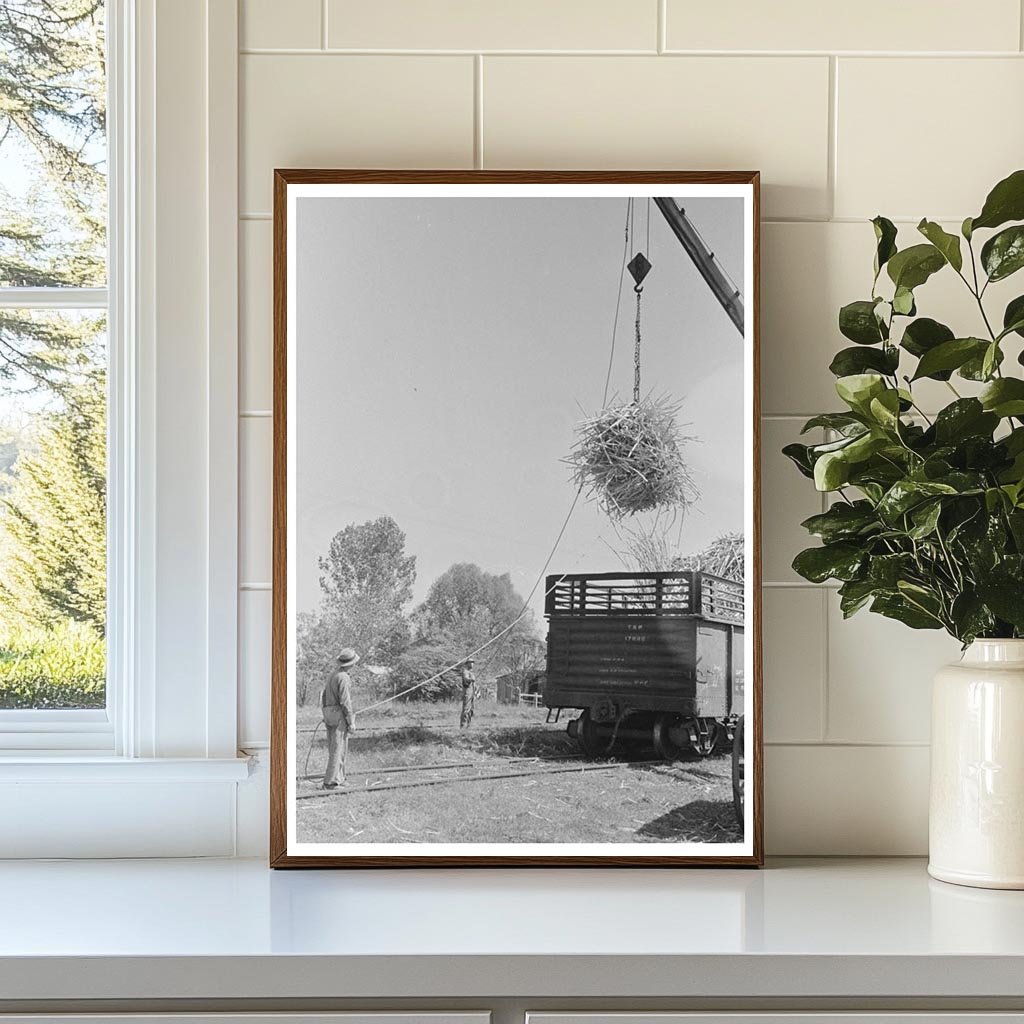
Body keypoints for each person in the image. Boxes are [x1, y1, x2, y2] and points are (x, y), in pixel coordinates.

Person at [321, 648, 358, 788]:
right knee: (338, 748)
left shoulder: (333, 674)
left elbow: (324, 696)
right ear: (350, 663)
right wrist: (351, 721)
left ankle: (340, 778)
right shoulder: (343, 677)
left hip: (329, 714)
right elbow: (345, 701)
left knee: (335, 748)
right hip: (339, 716)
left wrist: (325, 713)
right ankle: (330, 782)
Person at [459, 657, 476, 728]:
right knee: (466, 709)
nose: (472, 664)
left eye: (473, 662)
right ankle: (463, 725)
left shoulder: (471, 672)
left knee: (471, 709)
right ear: (467, 664)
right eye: (470, 662)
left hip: (472, 691)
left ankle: (469, 725)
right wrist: (471, 679)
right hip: (467, 691)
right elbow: (466, 679)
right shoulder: (465, 671)